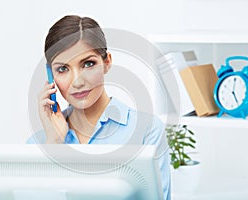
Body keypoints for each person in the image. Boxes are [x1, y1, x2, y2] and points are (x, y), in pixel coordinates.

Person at [27, 15, 170, 199]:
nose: (77, 82)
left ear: (107, 62)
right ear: (51, 75)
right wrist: (54, 144)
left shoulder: (147, 131)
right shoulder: (38, 145)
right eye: (62, 69)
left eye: (88, 64)